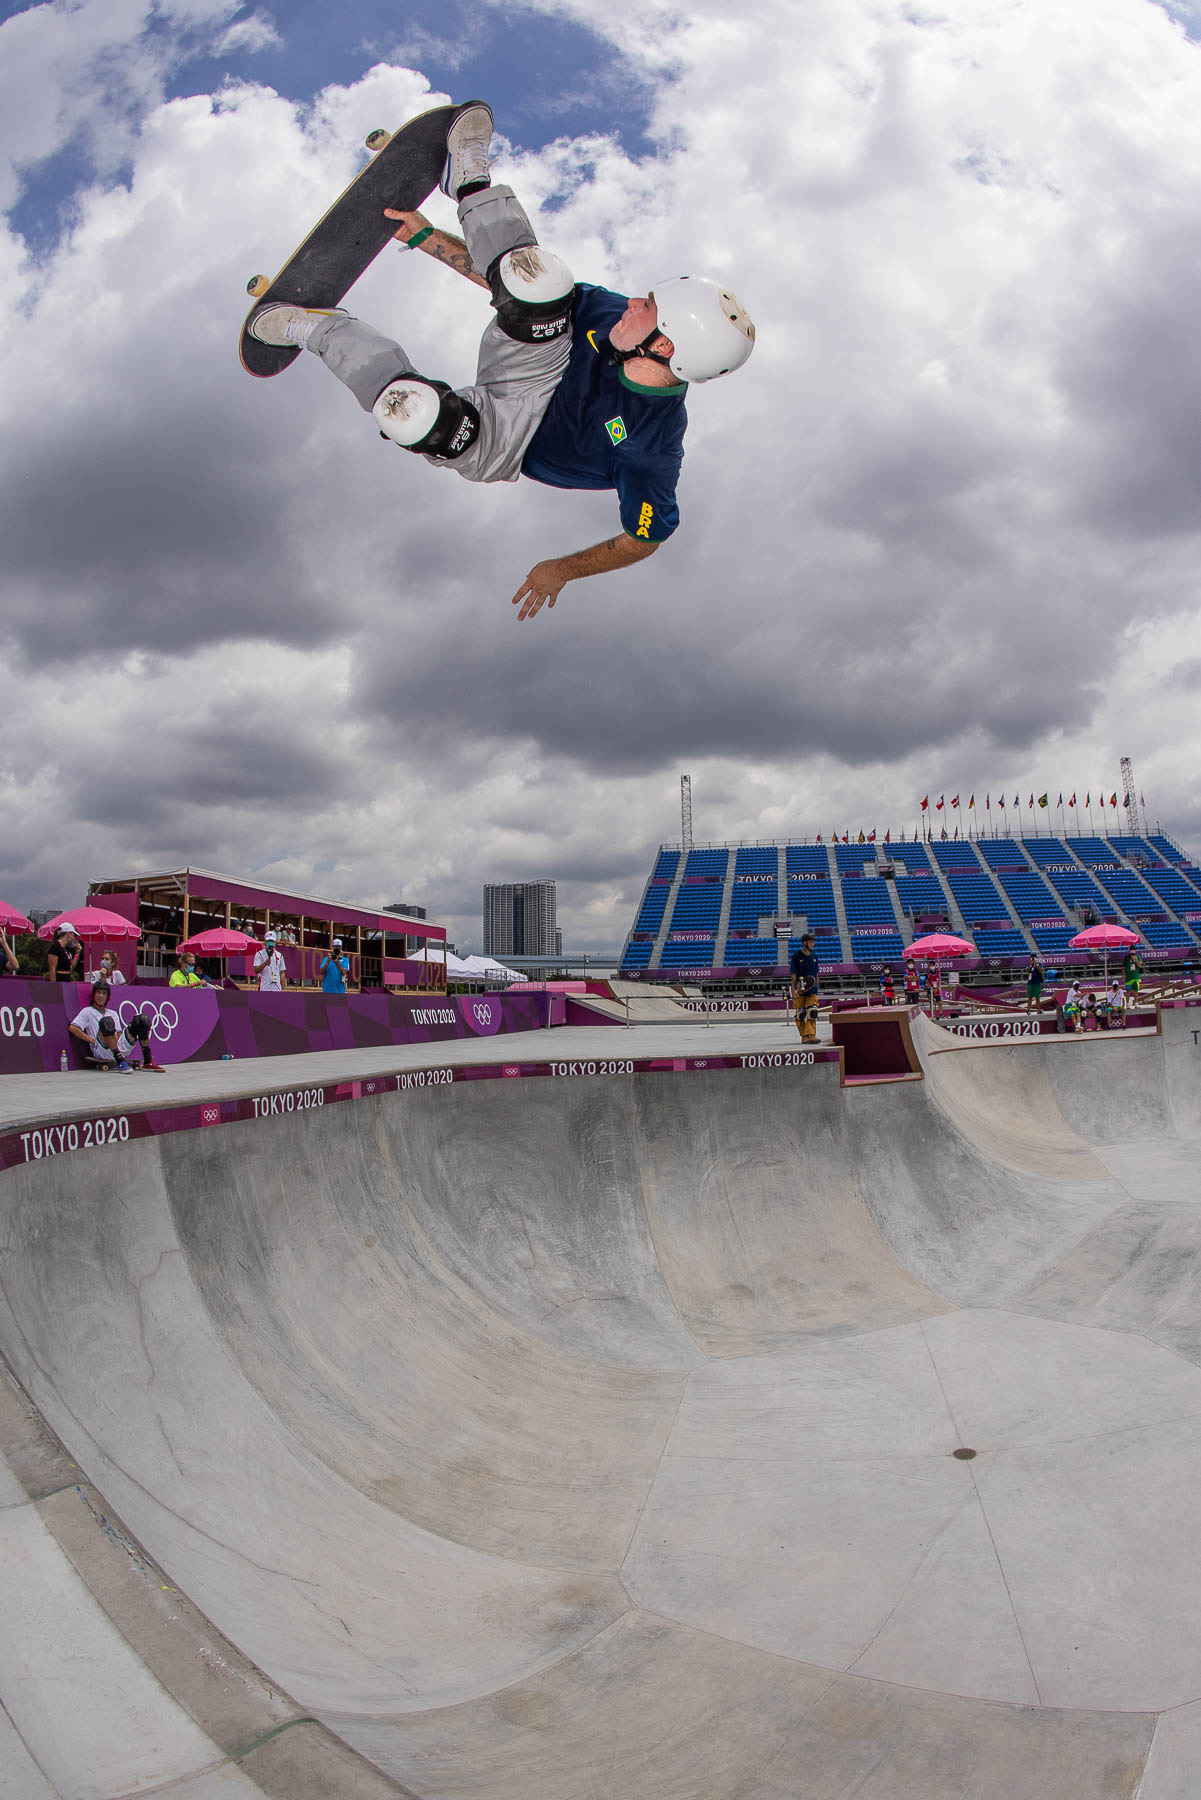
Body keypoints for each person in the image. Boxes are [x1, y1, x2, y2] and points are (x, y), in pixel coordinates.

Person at [248, 103, 755, 622]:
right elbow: (506, 285)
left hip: (507, 439)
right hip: (537, 363)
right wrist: (425, 238)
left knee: (417, 416)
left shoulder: (651, 451)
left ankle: (317, 328)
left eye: (647, 309)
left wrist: (562, 569)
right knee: (538, 280)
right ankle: (468, 177)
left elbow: (645, 539)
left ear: (665, 347)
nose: (631, 303)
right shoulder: (608, 314)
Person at [790, 932, 820, 1043]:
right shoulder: (796, 956)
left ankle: (811, 1035)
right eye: (811, 942)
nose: (813, 944)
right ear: (805, 943)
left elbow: (816, 973)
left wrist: (817, 986)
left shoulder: (814, 956)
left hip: (812, 989)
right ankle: (804, 1037)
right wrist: (794, 990)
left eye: (813, 942)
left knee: (812, 1011)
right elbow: (793, 974)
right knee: (801, 1014)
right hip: (799, 989)